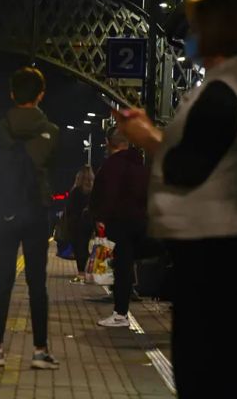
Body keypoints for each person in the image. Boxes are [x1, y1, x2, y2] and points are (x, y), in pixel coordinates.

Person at [114, 0, 237, 398]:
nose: (189, 37)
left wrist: (147, 138)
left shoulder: (223, 93)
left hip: (212, 246)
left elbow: (188, 166)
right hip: (213, 242)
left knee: (206, 367)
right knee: (215, 362)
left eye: (196, 28)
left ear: (215, 34)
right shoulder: (230, 85)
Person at [0, 66, 60, 370]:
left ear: (12, 94)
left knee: (4, 281)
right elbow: (49, 163)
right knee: (37, 283)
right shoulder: (52, 131)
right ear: (41, 95)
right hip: (36, 212)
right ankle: (40, 351)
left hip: (6, 211)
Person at [89, 127, 148, 327]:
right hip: (140, 223)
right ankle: (122, 309)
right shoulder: (140, 164)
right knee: (127, 266)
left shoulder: (111, 166)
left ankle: (120, 314)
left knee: (121, 269)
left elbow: (106, 196)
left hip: (119, 224)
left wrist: (99, 217)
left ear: (108, 143)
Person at [66, 165, 94, 283]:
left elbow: (70, 208)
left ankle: (81, 273)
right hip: (89, 223)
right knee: (85, 246)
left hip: (76, 224)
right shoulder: (93, 191)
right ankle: (86, 272)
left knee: (79, 248)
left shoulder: (76, 191)